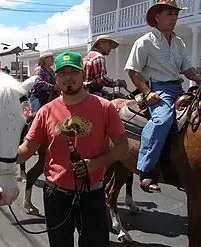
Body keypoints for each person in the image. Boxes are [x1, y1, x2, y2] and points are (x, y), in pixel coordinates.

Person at [18, 51, 129, 247]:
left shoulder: (104, 108)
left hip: (92, 193)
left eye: (74, 72)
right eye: (62, 73)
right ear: (57, 78)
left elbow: (122, 148)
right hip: (56, 195)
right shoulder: (46, 111)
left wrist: (95, 164)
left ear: (83, 75)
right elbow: (28, 148)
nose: (68, 77)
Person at [124, 0, 201, 192]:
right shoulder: (145, 42)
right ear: (157, 17)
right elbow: (133, 71)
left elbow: (187, 69)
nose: (174, 18)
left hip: (178, 88)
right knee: (162, 120)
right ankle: (146, 169)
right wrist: (147, 92)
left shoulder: (179, 42)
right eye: (169, 13)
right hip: (158, 89)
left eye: (176, 14)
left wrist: (199, 78)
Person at [22, 51, 60, 215]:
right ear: (45, 59)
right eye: (50, 58)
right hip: (39, 95)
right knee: (37, 115)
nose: (52, 60)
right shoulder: (39, 71)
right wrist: (53, 87)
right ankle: (28, 134)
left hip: (51, 95)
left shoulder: (51, 71)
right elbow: (38, 85)